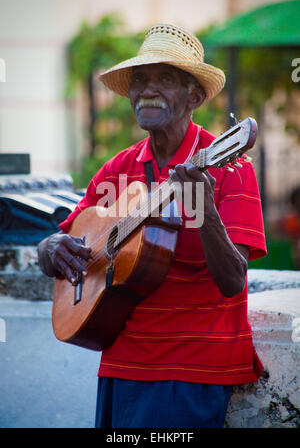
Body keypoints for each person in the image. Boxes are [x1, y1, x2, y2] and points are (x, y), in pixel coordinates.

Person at [38, 24, 267, 428]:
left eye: (165, 79)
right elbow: (70, 240)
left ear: (195, 96)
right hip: (119, 360)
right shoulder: (119, 168)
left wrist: (203, 209)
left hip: (192, 368)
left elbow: (234, 281)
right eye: (140, 80)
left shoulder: (231, 168)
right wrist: (50, 248)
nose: (147, 89)